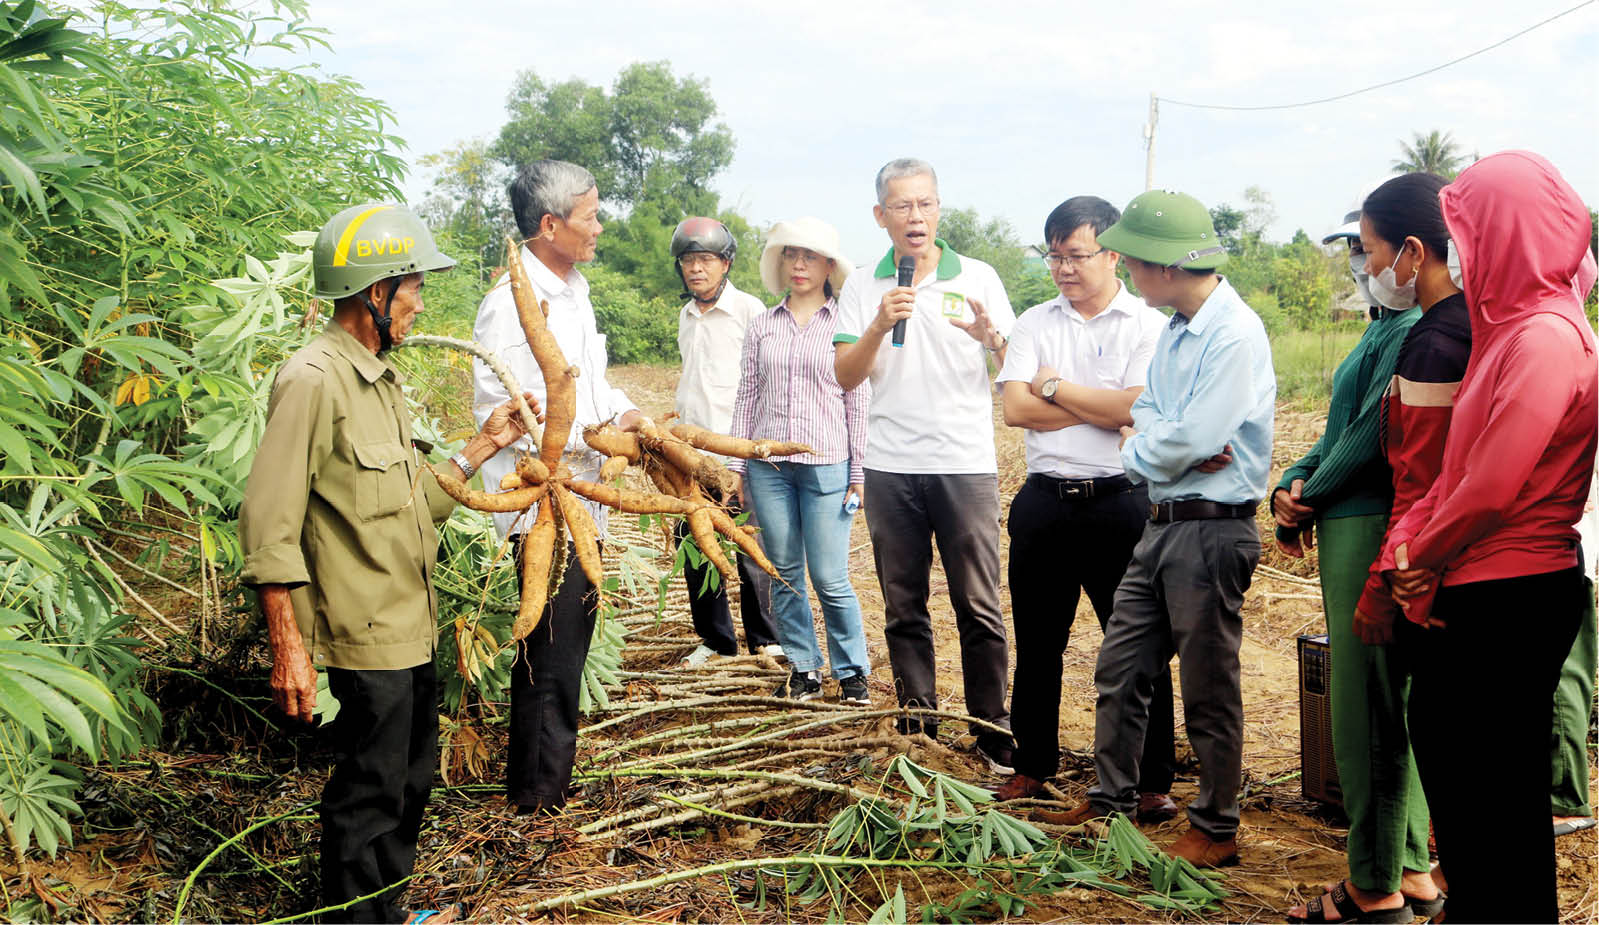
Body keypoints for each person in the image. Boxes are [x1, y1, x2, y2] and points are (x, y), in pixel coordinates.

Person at [241, 204, 537, 923]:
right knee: (369, 789)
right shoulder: (314, 378)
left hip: (410, 621)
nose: (419, 303)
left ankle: (387, 911)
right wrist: (289, 647)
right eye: (413, 288)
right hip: (359, 627)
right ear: (376, 291)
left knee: (409, 780)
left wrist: (480, 447)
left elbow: (403, 502)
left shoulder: (379, 380)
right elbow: (269, 521)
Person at [1376, 151, 1596, 923]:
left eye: (1467, 231)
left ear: (1508, 233)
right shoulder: (1508, 330)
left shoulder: (1542, 337)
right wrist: (1418, 558)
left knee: (1490, 799)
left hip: (1509, 593)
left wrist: (1418, 557)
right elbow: (1456, 468)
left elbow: (1493, 485)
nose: (1460, 250)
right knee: (1472, 793)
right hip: (1479, 584)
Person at [1048, 190, 1275, 869]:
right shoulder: (1178, 327)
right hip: (1162, 521)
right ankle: (1111, 795)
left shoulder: (1231, 333)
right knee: (1119, 667)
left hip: (1210, 529)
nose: (1126, 268)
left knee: (1208, 686)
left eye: (1133, 259)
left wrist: (1152, 445)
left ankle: (1215, 823)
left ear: (1166, 266)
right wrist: (1159, 442)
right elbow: (1152, 418)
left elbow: (1195, 436)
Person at [1280, 177, 1443, 925]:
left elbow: (1372, 439)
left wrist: (1309, 493)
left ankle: (1372, 883)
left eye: (1367, 249)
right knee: (1378, 700)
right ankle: (1408, 867)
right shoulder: (1381, 327)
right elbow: (1334, 428)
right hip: (1348, 515)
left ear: (1411, 251)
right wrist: (1294, 475)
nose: (1361, 263)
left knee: (1366, 709)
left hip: (1370, 519)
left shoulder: (1417, 332)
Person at [990, 195, 1177, 819]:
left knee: (1136, 643)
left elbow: (1136, 409)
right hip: (1044, 504)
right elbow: (1015, 410)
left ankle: (1151, 780)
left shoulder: (1146, 324)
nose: (1064, 268)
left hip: (1119, 504)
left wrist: (1051, 386)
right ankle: (1032, 765)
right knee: (1039, 642)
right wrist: (1097, 403)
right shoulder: (1034, 322)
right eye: (1054, 256)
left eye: (1076, 255)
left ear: (1112, 253)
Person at [832, 157, 1018, 773]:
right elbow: (845, 375)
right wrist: (880, 324)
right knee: (903, 604)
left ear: (939, 208)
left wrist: (993, 339)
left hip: (965, 464)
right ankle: (920, 730)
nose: (916, 217)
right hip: (890, 467)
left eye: (926, 203)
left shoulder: (981, 277)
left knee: (978, 603)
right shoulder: (861, 285)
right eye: (903, 206)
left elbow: (1013, 369)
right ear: (881, 215)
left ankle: (993, 732)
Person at [472, 160, 644, 814]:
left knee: (564, 653)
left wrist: (626, 417)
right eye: (590, 215)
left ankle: (545, 787)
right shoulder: (510, 305)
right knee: (548, 662)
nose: (599, 226)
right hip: (542, 512)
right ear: (550, 225)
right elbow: (513, 415)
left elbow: (587, 386)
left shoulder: (575, 291)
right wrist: (596, 437)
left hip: (582, 503)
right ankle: (535, 805)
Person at [727, 217, 872, 704]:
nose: (800, 264)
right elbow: (747, 395)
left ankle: (851, 671)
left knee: (830, 575)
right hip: (769, 468)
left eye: (811, 256)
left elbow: (857, 400)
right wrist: (738, 464)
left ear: (830, 266)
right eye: (792, 255)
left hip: (828, 464)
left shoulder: (844, 327)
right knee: (784, 570)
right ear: (781, 262)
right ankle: (804, 667)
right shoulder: (763, 326)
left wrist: (859, 473)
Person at [668, 216, 781, 667]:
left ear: (726, 263)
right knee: (696, 547)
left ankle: (765, 638)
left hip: (737, 452)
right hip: (689, 457)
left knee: (751, 547)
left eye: (705, 260)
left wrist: (756, 447)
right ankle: (715, 639)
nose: (696, 269)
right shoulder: (686, 314)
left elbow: (766, 381)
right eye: (688, 261)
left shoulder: (751, 311)